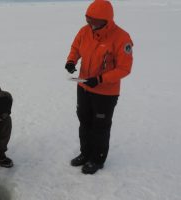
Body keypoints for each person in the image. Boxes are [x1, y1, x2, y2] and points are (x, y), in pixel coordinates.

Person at [65, 0, 133, 174]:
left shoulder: (122, 38)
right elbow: (76, 47)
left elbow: (124, 69)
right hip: (84, 86)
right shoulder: (84, 31)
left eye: (94, 21)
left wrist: (101, 79)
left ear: (107, 20)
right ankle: (85, 153)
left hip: (105, 92)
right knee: (84, 121)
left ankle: (97, 159)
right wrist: (71, 61)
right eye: (88, 20)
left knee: (100, 126)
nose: (90, 24)